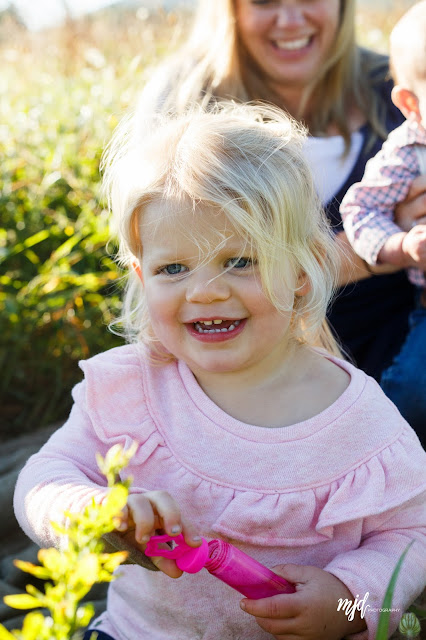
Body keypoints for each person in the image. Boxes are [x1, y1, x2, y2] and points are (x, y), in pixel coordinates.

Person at [14, 104, 426, 640]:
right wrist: (98, 512)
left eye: (240, 261)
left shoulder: (360, 421)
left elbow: (413, 537)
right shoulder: (131, 390)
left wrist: (348, 602)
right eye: (174, 268)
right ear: (142, 275)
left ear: (302, 271)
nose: (205, 290)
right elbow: (40, 483)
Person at [136, 0, 426, 388]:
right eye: (265, 1)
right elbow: (161, 271)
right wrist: (381, 244)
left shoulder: (397, 82)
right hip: (240, 379)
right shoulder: (183, 101)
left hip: (401, 351)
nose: (290, 20)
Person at [341, 1, 426, 445]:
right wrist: (405, 246)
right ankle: (395, 471)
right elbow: (362, 211)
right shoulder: (409, 153)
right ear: (411, 104)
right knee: (412, 390)